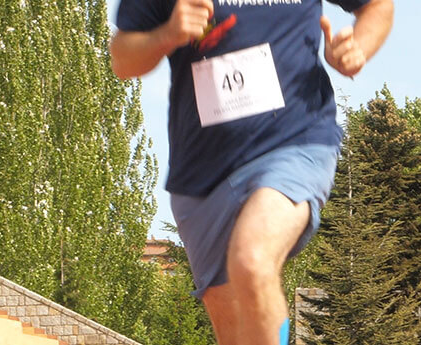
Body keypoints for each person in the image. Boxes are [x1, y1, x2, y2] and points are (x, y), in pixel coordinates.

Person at [108, 0, 393, 344]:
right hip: (202, 173)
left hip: (294, 142)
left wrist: (357, 47)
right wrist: (166, 34)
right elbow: (123, 57)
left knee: (252, 261)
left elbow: (377, 5)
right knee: (237, 331)